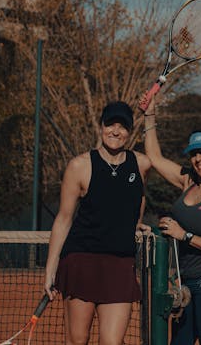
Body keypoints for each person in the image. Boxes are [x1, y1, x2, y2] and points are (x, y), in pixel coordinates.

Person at [44, 101, 151, 345]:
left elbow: (139, 197)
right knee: (78, 340)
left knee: (112, 342)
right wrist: (50, 270)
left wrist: (135, 222)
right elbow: (63, 219)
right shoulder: (79, 166)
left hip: (121, 264)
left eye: (122, 126)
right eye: (110, 124)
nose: (115, 131)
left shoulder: (142, 164)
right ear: (100, 126)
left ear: (130, 131)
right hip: (82, 261)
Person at [143, 104, 201, 345]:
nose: (199, 159)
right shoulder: (187, 180)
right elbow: (154, 158)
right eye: (194, 153)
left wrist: (183, 234)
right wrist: (149, 114)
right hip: (184, 283)